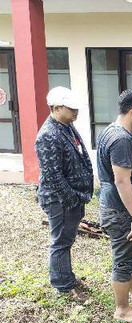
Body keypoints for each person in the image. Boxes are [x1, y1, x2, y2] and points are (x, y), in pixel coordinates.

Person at [97, 89, 132, 323]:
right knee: (123, 258)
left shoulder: (112, 132)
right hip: (120, 211)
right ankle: (122, 310)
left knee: (131, 255)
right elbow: (122, 181)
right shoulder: (120, 139)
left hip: (119, 209)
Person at [35, 86, 93, 303]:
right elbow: (52, 175)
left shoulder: (67, 126)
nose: (76, 112)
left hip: (73, 197)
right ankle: (62, 284)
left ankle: (66, 276)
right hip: (60, 200)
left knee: (66, 240)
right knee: (60, 242)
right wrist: (71, 200)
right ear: (57, 108)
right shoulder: (48, 135)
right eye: (72, 109)